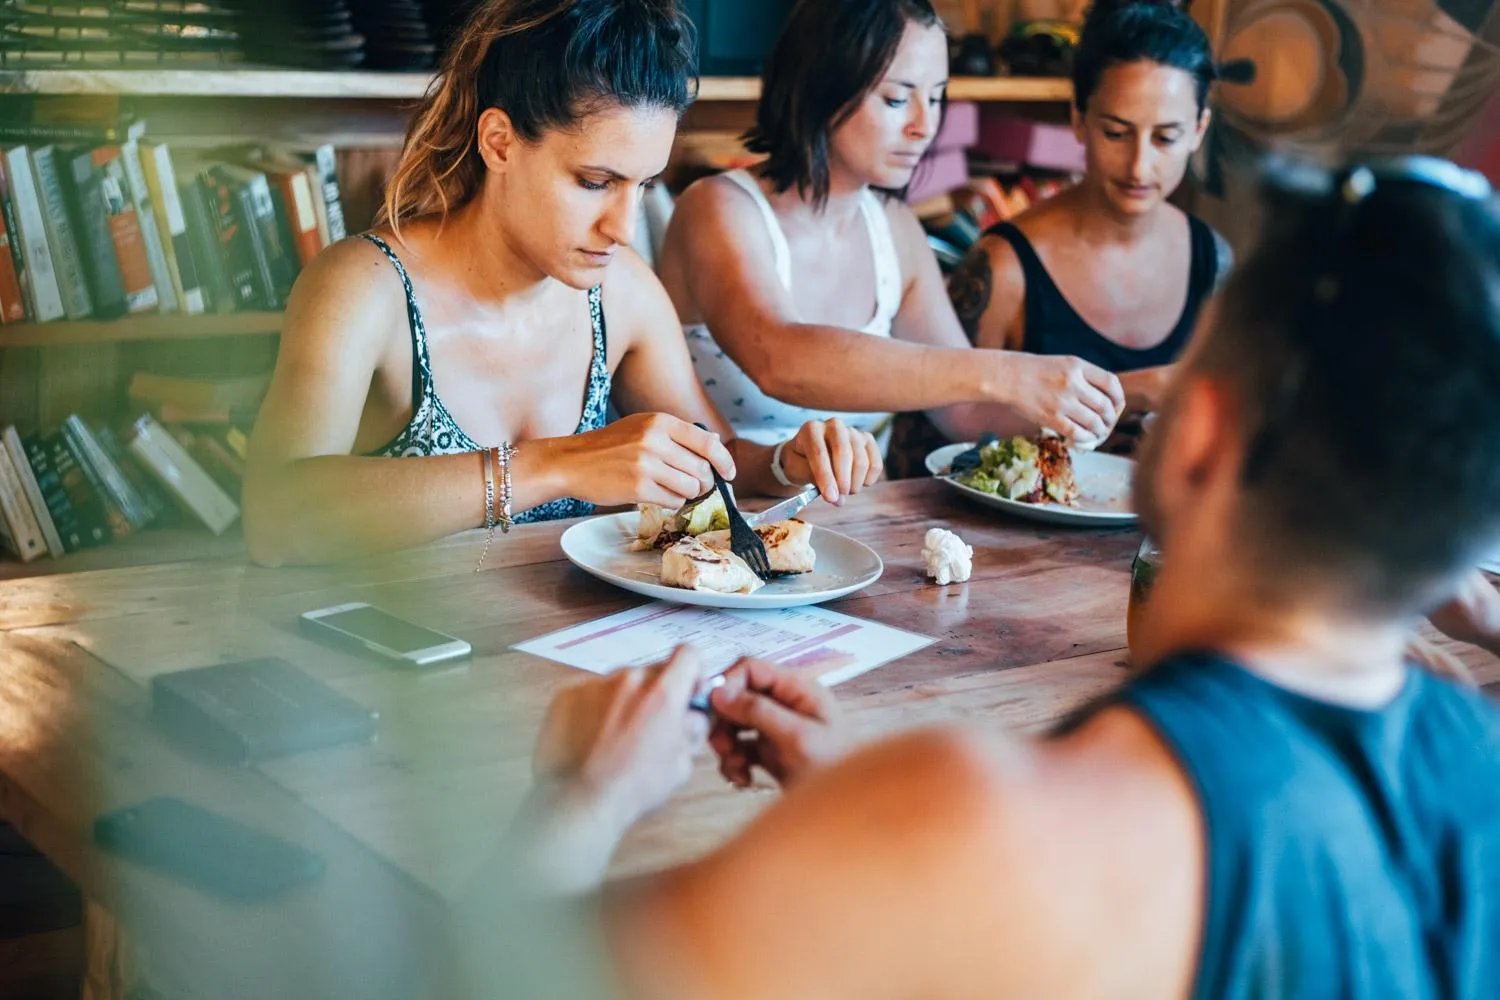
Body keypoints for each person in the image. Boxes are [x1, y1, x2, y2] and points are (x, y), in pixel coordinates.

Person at [475, 157, 1500, 999]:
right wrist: (871, 821)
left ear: (1199, 439)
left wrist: (584, 799)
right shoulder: (1478, 769)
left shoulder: (987, 821)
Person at [242, 0, 881, 567]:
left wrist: (783, 460)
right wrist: (555, 464)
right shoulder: (365, 287)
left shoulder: (621, 292)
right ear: (498, 142)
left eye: (646, 186)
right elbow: (275, 519)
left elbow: (714, 459)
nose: (624, 227)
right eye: (595, 182)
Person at [656, 0, 1127, 457]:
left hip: (853, 526)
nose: (926, 125)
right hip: (709, 524)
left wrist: (1114, 397)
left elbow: (964, 412)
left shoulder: (894, 229)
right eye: (898, 98)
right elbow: (780, 360)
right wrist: (1007, 371)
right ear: (823, 85)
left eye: (938, 96)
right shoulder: (717, 208)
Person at [948, 0, 1229, 429]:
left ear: (1198, 130)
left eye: (1166, 138)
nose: (1139, 165)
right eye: (1116, 133)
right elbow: (939, 437)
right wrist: (1132, 391)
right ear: (1078, 120)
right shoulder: (1004, 267)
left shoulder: (1213, 263)